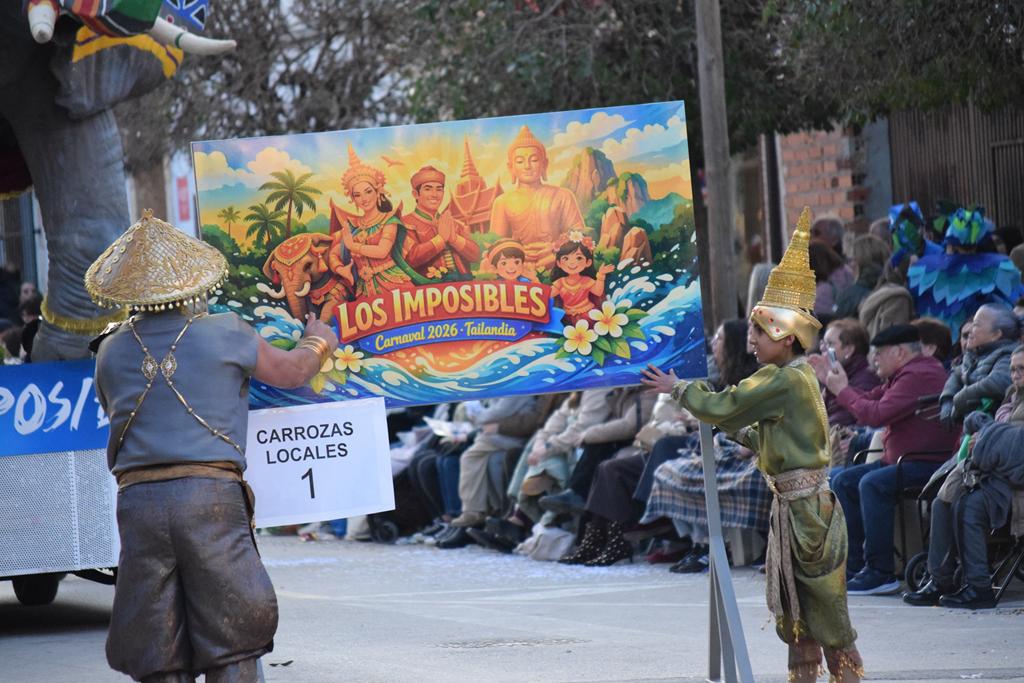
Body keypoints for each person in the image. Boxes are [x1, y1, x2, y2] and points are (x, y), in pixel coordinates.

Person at [88, 211, 340, 683]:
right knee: (233, 632)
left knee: (156, 640)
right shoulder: (225, 330)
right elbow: (291, 373)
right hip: (209, 498)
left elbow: (113, 409)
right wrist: (317, 342)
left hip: (139, 503)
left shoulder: (109, 349)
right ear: (191, 283)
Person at [643, 207, 863, 683]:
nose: (752, 341)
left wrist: (679, 388)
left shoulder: (781, 378)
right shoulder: (795, 376)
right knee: (799, 607)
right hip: (802, 508)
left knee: (823, 610)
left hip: (806, 511)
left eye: (760, 332)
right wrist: (725, 424)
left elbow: (727, 403)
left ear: (785, 336)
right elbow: (755, 428)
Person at [826, 324, 958, 595]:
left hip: (929, 463)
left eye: (879, 353)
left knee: (872, 483)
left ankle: (880, 571)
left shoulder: (919, 375)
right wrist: (839, 387)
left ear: (898, 352)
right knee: (840, 479)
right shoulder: (902, 374)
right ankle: (854, 566)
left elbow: (875, 415)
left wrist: (842, 390)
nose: (874, 359)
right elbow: (868, 402)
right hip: (902, 460)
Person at [904, 345, 1024, 609]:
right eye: (1013, 369)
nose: (1016, 375)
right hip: (992, 475)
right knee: (942, 501)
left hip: (1015, 487)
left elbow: (1014, 447)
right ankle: (940, 580)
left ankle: (979, 587)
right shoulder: (1010, 397)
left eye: (1021, 369)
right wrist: (985, 440)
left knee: (969, 505)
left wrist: (987, 441)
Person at [489, 125, 586, 271]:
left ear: (544, 164)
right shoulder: (502, 202)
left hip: (555, 258)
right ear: (511, 167)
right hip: (517, 263)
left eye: (534, 160)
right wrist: (518, 251)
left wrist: (555, 248)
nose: (527, 166)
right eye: (520, 161)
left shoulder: (563, 195)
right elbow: (496, 244)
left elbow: (579, 235)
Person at [330, 144, 421, 297]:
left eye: (368, 191)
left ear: (378, 192)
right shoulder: (352, 225)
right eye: (357, 195)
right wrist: (340, 269)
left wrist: (353, 246)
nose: (364, 199)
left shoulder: (389, 221)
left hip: (394, 284)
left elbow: (382, 251)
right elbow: (333, 253)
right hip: (364, 291)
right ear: (353, 199)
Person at [805, 319, 880, 467]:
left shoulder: (866, 378)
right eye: (823, 343)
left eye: (830, 344)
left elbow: (854, 418)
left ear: (849, 350)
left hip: (843, 452)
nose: (823, 349)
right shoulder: (836, 372)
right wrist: (824, 386)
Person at [938, 303, 1019, 430]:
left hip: (992, 430)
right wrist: (947, 400)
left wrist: (961, 398)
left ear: (996, 334)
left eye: (976, 325)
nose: (970, 330)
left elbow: (998, 381)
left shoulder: (1009, 355)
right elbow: (957, 374)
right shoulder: (974, 354)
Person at [400, 165, 480, 279]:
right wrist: (440, 240)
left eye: (439, 189)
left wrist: (454, 239)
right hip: (427, 286)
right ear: (415, 194)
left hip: (462, 282)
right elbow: (409, 259)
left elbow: (475, 256)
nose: (434, 194)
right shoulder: (404, 224)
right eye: (428, 189)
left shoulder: (453, 223)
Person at [549, 233, 614, 324]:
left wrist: (601, 275)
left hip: (587, 315)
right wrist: (534, 280)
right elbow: (548, 294)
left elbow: (598, 292)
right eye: (566, 258)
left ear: (588, 262)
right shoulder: (560, 282)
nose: (572, 262)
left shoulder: (586, 280)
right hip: (566, 317)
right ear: (559, 263)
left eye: (579, 258)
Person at [834, 235, 890, 319]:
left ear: (861, 262)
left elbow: (836, 322)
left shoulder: (849, 295)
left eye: (853, 259)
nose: (850, 264)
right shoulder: (895, 289)